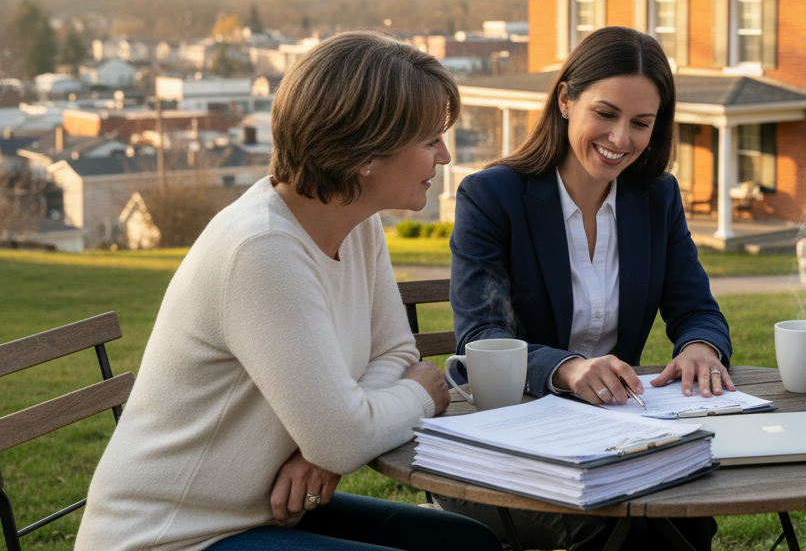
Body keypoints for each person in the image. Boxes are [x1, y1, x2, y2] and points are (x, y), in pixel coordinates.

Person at [77, 32, 500, 551]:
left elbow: (392, 352)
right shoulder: (262, 250)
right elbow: (354, 427)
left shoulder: (357, 224)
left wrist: (325, 446)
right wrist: (418, 395)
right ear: (365, 153)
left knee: (467, 543)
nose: (445, 155)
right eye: (430, 139)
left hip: (258, 512)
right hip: (171, 536)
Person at [443, 25, 731, 551]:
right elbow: (480, 336)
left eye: (641, 123)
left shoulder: (656, 198)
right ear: (566, 99)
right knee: (626, 531)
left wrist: (700, 346)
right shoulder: (492, 196)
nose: (621, 139)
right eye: (605, 114)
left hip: (616, 440)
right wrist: (568, 368)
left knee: (684, 518)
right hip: (507, 445)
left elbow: (697, 309)